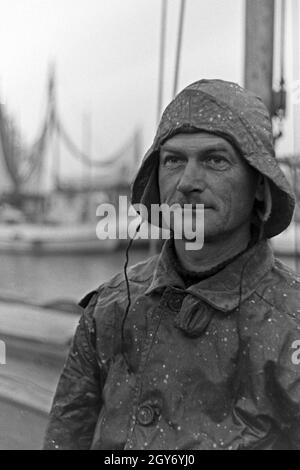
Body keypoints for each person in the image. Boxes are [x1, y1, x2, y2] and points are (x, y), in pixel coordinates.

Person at [43, 79, 300, 450]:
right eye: (174, 160)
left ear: (259, 185)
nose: (189, 182)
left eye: (216, 160)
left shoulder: (289, 326)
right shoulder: (110, 309)